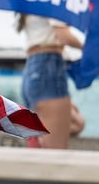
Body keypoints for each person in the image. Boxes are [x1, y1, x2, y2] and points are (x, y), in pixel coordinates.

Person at [17, 13, 84, 149]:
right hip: (49, 65)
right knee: (55, 158)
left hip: (33, 68)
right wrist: (91, 50)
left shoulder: (32, 1)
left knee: (75, 123)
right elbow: (63, 35)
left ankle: (37, 140)